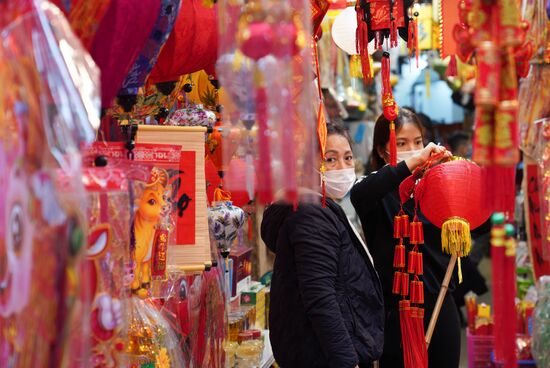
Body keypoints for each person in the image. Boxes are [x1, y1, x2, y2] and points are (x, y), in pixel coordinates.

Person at [261, 122, 384, 368]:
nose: (343, 168)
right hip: (323, 357)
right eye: (330, 160)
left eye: (348, 158)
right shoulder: (311, 215)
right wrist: (346, 361)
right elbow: (320, 297)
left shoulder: (319, 207)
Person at [350, 108, 461, 368]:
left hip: (440, 303)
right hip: (396, 313)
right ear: (381, 150)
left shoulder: (435, 187)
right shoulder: (376, 191)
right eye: (401, 143)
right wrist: (411, 163)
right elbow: (359, 195)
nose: (413, 149)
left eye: (418, 142)